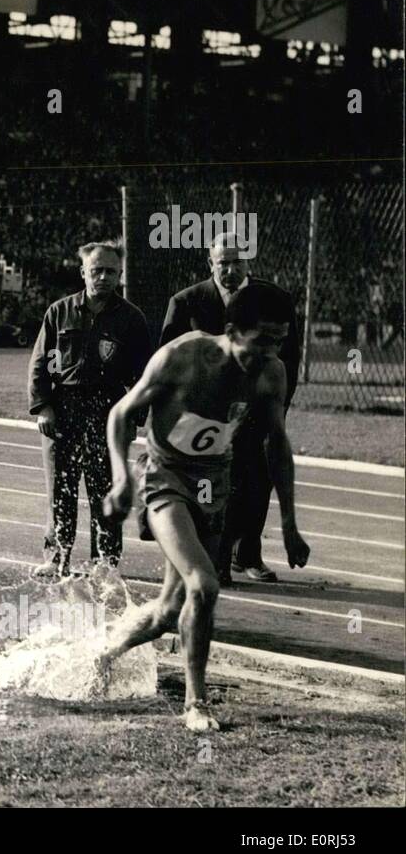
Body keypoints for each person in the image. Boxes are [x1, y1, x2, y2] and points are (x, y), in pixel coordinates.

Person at [100, 283, 310, 731]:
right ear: (232, 331)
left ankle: (97, 655)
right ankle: (196, 703)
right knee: (205, 583)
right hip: (164, 477)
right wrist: (121, 481)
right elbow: (121, 414)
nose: (271, 351)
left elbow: (277, 444)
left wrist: (290, 524)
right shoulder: (182, 356)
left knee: (168, 612)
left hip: (214, 484)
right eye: (262, 340)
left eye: (280, 341)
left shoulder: (271, 373)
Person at [160, 231, 299, 584]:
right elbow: (166, 362)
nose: (231, 270)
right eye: (224, 262)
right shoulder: (187, 302)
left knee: (256, 480)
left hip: (254, 412)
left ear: (249, 262)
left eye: (238, 262)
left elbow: (289, 360)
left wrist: (275, 407)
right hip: (204, 418)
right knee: (213, 486)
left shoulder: (273, 301)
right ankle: (215, 558)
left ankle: (248, 553)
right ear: (211, 264)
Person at [28, 241, 150, 574]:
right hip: (64, 410)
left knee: (105, 489)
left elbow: (143, 374)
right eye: (97, 270)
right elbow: (41, 363)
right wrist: (44, 408)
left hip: (108, 410)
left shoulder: (131, 319)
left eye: (111, 271)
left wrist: (135, 417)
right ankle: (57, 557)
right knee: (60, 489)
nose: (103, 277)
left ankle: (105, 562)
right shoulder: (59, 312)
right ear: (83, 272)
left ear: (120, 275)